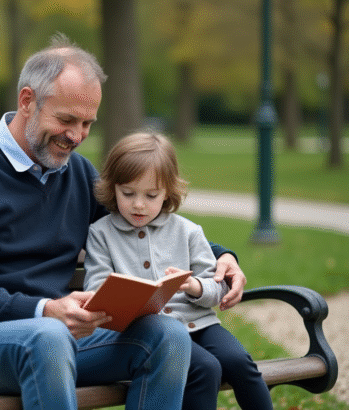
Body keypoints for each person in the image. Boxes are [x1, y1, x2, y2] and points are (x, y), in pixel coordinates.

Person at [0, 33, 246, 410]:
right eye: (67, 119)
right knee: (47, 337)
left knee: (167, 333)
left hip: (54, 339)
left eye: (87, 123)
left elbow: (138, 223)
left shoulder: (76, 174)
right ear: (26, 102)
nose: (77, 136)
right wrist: (45, 310)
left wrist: (220, 256)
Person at [83, 132, 272, 410]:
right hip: (149, 331)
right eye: (128, 193)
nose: (138, 204)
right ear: (113, 188)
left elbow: (217, 286)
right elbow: (96, 288)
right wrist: (128, 296)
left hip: (201, 324)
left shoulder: (188, 231)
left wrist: (194, 286)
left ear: (168, 192)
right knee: (206, 368)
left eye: (151, 195)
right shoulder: (101, 234)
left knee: (239, 362)